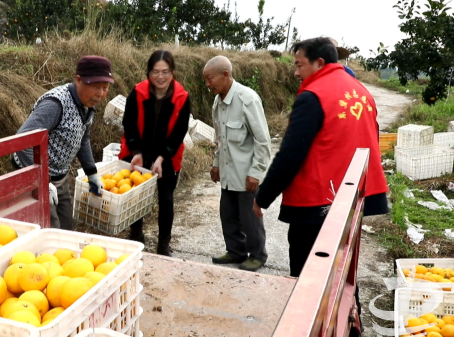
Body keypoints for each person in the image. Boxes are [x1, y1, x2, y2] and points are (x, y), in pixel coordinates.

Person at [253, 37, 389, 278]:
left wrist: (263, 198)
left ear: (319, 63)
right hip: (354, 198)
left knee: (308, 278)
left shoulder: (314, 96)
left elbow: (290, 155)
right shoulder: (361, 91)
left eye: (299, 65)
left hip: (318, 203)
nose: (295, 73)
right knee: (342, 274)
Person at [12, 56, 113, 229]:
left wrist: (92, 173)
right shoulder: (55, 104)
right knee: (51, 229)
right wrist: (42, 180)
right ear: (79, 80)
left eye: (105, 88)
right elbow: (22, 142)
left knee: (67, 226)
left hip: (59, 177)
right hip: (34, 175)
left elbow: (83, 138)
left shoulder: (87, 104)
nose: (101, 94)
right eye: (96, 87)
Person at [118, 50, 191, 256]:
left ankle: (163, 244)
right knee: (135, 195)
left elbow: (179, 132)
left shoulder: (182, 97)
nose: (161, 76)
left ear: (172, 72)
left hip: (167, 154)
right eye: (155, 72)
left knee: (166, 198)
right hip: (137, 151)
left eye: (165, 72)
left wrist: (162, 157)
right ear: (149, 73)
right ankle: (136, 233)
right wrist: (136, 152)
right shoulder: (138, 92)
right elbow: (128, 123)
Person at [203, 56, 272, 272]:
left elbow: (262, 140)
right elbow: (220, 138)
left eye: (210, 78)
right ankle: (235, 251)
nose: (207, 84)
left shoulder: (247, 99)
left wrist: (256, 172)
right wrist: (216, 164)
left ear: (225, 75)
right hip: (228, 172)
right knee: (228, 215)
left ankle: (258, 255)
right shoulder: (218, 101)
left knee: (250, 218)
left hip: (246, 174)